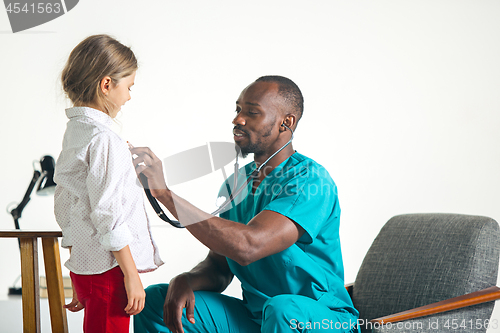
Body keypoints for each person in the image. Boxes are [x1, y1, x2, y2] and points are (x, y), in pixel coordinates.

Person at [132, 76, 359, 333]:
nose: (238, 119)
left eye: (252, 112)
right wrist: (187, 279)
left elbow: (248, 246)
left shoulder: (310, 181)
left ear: (287, 122)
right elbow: (219, 266)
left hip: (320, 319)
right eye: (238, 109)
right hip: (258, 318)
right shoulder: (235, 184)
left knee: (283, 310)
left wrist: (165, 195)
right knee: (156, 301)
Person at [54, 34, 163, 333]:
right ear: (106, 85)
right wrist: (131, 275)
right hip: (111, 269)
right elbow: (108, 214)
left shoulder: (76, 132)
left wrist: (77, 268)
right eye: (128, 87)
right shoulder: (105, 139)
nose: (129, 96)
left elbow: (66, 207)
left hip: (88, 266)